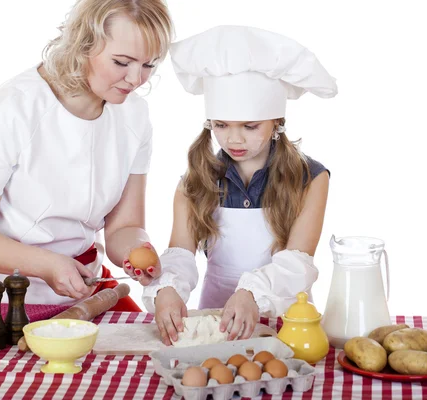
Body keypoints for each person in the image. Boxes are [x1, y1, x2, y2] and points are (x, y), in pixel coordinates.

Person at [0, 0, 173, 310]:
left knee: (149, 352)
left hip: (87, 284)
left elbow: (124, 226)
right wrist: (47, 265)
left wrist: (136, 253)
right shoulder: (12, 111)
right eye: (122, 62)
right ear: (83, 45)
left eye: (149, 64)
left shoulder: (134, 116)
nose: (136, 79)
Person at [135, 25, 337, 344]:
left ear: (276, 123)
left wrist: (251, 294)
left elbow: (298, 261)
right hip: (215, 325)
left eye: (250, 126)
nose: (234, 139)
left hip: (288, 327)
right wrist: (167, 288)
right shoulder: (195, 182)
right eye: (221, 125)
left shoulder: (311, 178)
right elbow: (181, 253)